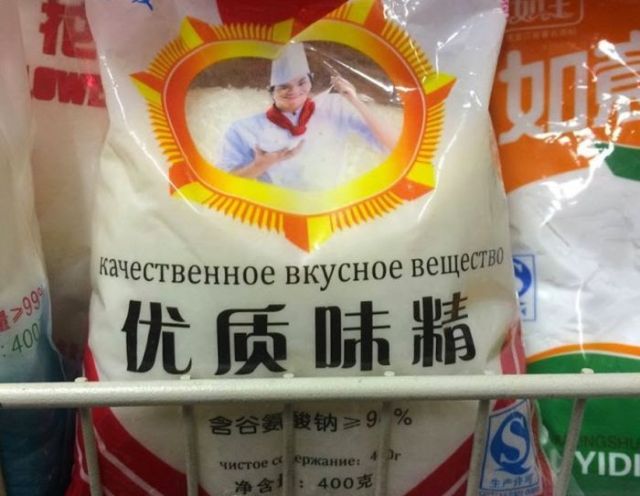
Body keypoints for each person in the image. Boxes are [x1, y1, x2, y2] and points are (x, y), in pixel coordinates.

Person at [217, 42, 397, 191]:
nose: (294, 91)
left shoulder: (335, 106)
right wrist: (260, 165)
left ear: (310, 80)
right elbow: (224, 185)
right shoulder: (243, 128)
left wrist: (355, 101)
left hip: (332, 206)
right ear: (271, 91)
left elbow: (394, 145)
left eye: (302, 82)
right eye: (284, 87)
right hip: (276, 211)